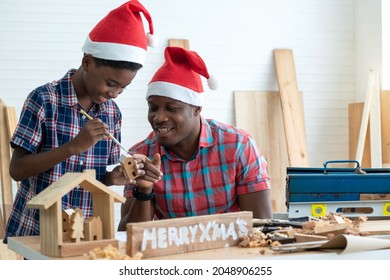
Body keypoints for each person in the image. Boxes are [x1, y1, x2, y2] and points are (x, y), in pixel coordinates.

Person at [3, 0, 162, 243]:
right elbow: (17, 170)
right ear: (88, 62)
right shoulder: (44, 100)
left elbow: (98, 176)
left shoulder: (111, 113)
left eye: (123, 88)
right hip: (37, 232)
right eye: (111, 83)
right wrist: (74, 147)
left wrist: (113, 177)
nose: (114, 94)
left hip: (85, 233)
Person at [118, 46, 272, 230]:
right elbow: (128, 236)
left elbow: (262, 225)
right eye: (153, 108)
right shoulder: (141, 156)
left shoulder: (239, 146)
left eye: (171, 108)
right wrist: (144, 190)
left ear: (197, 109)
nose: (158, 118)